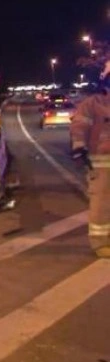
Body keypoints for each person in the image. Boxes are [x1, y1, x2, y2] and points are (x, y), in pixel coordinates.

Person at [70, 59, 110, 258]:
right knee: (102, 202)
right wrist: (79, 148)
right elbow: (79, 126)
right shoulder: (92, 104)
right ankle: (100, 243)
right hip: (101, 163)